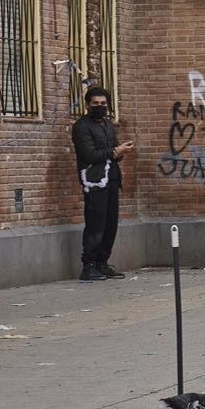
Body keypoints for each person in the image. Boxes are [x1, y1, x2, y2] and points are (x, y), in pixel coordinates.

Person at [72, 86, 134, 282]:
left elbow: (113, 148)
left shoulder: (107, 125)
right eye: (95, 104)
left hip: (112, 178)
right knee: (95, 223)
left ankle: (102, 262)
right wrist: (115, 152)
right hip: (94, 180)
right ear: (88, 105)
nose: (100, 107)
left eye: (103, 104)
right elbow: (89, 154)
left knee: (110, 223)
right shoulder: (81, 126)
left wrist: (119, 153)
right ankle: (88, 265)